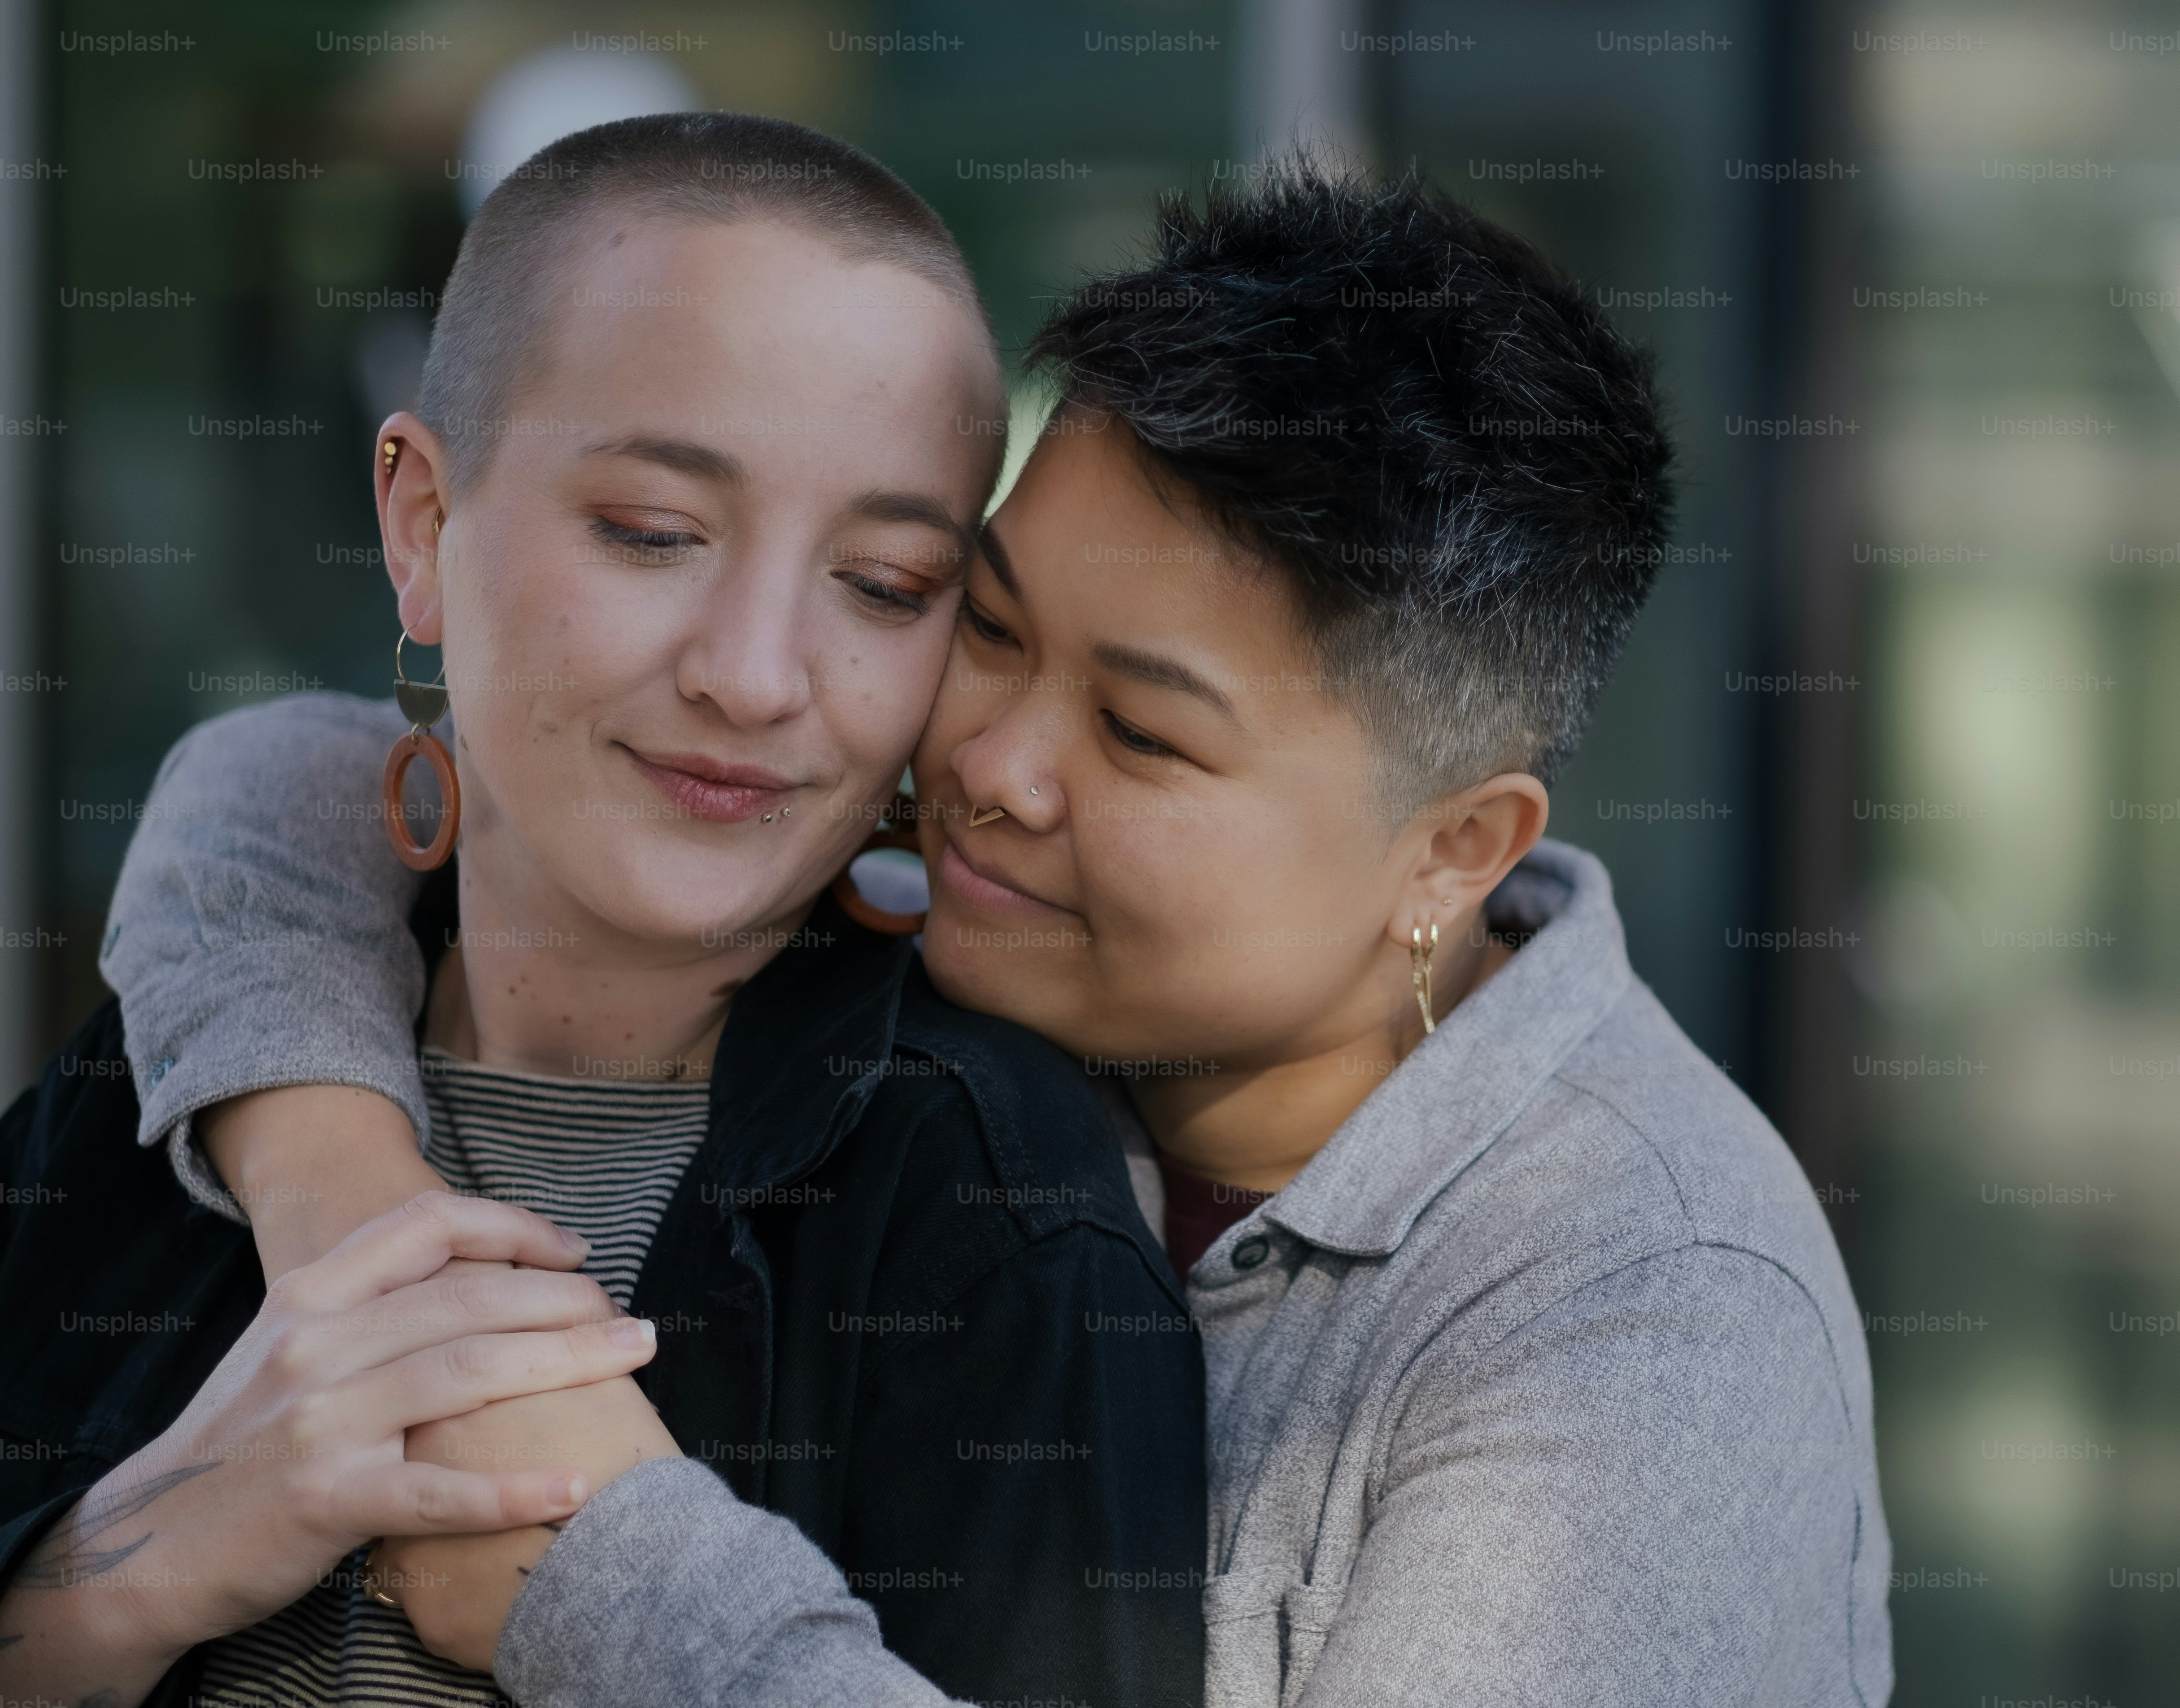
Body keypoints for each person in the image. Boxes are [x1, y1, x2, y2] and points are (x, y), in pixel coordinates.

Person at [84, 159, 1894, 1705]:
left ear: (1449, 852)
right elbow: (309, 782)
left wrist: (614, 1582)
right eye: (987, 623)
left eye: (1142, 734)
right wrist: (355, 1215)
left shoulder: (1644, 1331)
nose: (991, 766)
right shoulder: (949, 925)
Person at [0, 114, 1204, 1708]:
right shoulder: (146, 1108)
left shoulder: (999, 1216)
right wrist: (127, 1572)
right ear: (424, 528)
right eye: (653, 534)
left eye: (888, 586)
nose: (758, 675)